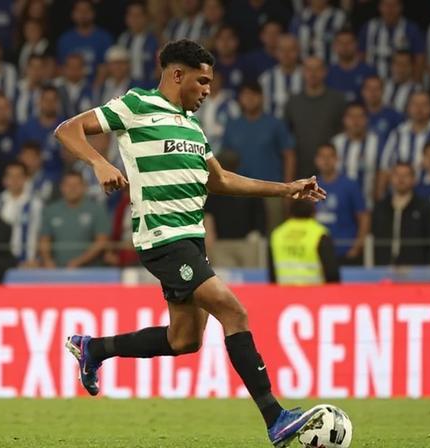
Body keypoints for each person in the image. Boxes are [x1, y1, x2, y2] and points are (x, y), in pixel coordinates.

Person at [54, 38, 329, 447]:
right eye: (201, 82)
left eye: (210, 84)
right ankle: (276, 418)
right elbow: (67, 129)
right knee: (233, 311)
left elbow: (219, 180)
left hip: (191, 240)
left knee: (185, 340)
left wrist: (286, 188)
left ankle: (93, 348)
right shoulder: (136, 105)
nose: (207, 91)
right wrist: (100, 161)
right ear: (176, 74)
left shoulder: (192, 128)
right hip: (163, 237)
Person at [223, 81, 295, 231]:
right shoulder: (232, 126)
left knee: (273, 235)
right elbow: (225, 161)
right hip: (240, 192)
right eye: (245, 95)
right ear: (240, 99)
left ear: (262, 97)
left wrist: (289, 189)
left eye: (254, 95)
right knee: (242, 235)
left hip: (271, 191)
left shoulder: (275, 124)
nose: (249, 99)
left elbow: (289, 156)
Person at [378, 91, 430, 198]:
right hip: (401, 196)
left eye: (424, 105)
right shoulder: (397, 134)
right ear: (408, 108)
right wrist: (380, 196)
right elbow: (385, 168)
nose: (419, 109)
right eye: (415, 104)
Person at [285, 57, 346, 179]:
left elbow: (343, 134)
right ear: (302, 72)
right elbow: (287, 139)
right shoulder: (293, 102)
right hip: (299, 170)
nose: (313, 74)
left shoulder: (338, 100)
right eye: (308, 69)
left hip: (330, 172)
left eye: (317, 69)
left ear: (325, 72)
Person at [372, 163, 430, 265]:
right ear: (391, 179)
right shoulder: (380, 208)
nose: (401, 179)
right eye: (397, 175)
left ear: (414, 179)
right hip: (384, 268)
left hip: (417, 270)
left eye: (406, 175)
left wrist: (428, 266)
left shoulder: (425, 207)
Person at [38, 170, 110, 268]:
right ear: (61, 187)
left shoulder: (97, 210)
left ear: (84, 187)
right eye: (68, 185)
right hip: (57, 270)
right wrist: (47, 261)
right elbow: (44, 239)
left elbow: (101, 241)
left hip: (90, 271)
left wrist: (79, 262)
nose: (72, 189)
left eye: (76, 185)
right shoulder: (51, 210)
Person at [314, 144, 370, 264]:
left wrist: (356, 248)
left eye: (330, 157)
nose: (326, 161)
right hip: (317, 252)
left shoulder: (350, 185)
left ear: (337, 159)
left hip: (345, 252)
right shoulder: (310, 187)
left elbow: (363, 217)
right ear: (316, 160)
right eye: (322, 157)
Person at [269, 199, 339, 284]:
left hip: (284, 293)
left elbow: (272, 274)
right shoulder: (320, 233)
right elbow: (331, 273)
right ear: (313, 212)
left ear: (290, 212)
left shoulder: (277, 234)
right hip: (314, 293)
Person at [0, 161, 44, 265]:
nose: (14, 180)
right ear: (4, 180)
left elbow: (41, 234)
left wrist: (37, 259)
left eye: (18, 176)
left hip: (29, 262)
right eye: (11, 176)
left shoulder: (35, 204)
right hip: (1, 262)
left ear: (26, 179)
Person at [331, 103, 382, 206]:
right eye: (351, 117)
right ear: (344, 120)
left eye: (360, 116)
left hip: (367, 203)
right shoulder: (336, 143)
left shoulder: (376, 142)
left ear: (367, 119)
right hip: (339, 203)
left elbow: (382, 172)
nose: (355, 121)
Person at [358, 0, 425, 79]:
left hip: (402, 84)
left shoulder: (411, 29)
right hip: (373, 84)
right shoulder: (369, 28)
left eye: (394, 5)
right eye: (386, 5)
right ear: (380, 7)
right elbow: (360, 56)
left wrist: (415, 83)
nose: (390, 9)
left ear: (400, 7)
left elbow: (419, 59)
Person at [56, 0, 113, 81]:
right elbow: (61, 67)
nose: (83, 14)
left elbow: (107, 67)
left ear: (93, 13)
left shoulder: (104, 38)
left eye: (86, 10)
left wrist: (96, 89)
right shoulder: (65, 39)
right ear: (73, 14)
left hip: (98, 87)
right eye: (79, 11)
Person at [326, 29, 377, 103]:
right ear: (335, 46)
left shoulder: (369, 71)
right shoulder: (328, 72)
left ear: (356, 45)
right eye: (341, 43)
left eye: (349, 43)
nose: (345, 46)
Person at [117, 1, 159, 88]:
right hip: (127, 88)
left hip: (150, 87)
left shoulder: (155, 40)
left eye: (138, 16)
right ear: (127, 18)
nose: (134, 19)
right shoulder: (123, 39)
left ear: (146, 17)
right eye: (131, 15)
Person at [259, 34, 302, 118]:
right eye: (282, 50)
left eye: (291, 49)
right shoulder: (265, 78)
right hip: (273, 128)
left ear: (298, 51)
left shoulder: (307, 76)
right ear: (276, 52)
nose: (286, 54)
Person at [197, 70, 240, 152]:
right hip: (202, 144)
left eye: (216, 80)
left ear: (221, 81)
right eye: (211, 80)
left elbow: (237, 125)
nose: (214, 83)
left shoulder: (230, 103)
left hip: (224, 145)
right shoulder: (199, 100)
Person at [361, 75, 404, 141]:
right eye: (369, 89)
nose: (372, 92)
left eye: (376, 89)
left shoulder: (395, 116)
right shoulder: (356, 115)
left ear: (383, 91)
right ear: (363, 91)